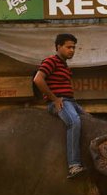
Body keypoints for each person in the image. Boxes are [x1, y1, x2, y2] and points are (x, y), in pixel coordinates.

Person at [33, 33, 87, 179]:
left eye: (74, 48)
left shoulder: (63, 65)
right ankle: (74, 165)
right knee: (74, 122)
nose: (72, 50)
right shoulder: (51, 61)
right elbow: (38, 79)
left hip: (71, 102)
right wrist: (54, 99)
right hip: (60, 102)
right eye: (68, 47)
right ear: (58, 47)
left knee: (89, 120)